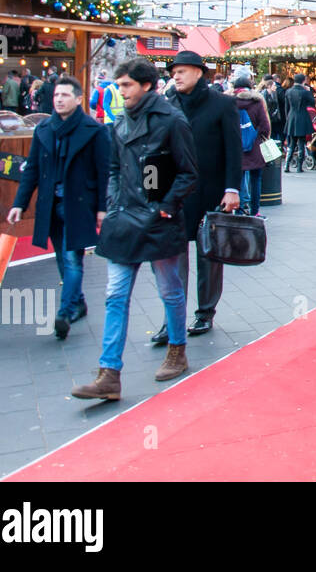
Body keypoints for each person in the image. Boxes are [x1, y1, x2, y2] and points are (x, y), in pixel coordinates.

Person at [72, 58, 198, 400]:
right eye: (119, 84)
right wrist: (113, 203)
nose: (119, 90)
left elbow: (189, 172)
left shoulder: (172, 120)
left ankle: (177, 350)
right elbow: (113, 167)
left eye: (126, 85)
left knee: (170, 290)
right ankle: (109, 373)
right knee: (115, 296)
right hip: (125, 219)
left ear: (145, 85)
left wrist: (165, 207)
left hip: (159, 221)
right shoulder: (119, 123)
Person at [7, 74, 110, 339]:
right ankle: (78, 302)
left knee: (72, 258)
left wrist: (102, 208)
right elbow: (31, 170)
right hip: (51, 204)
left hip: (80, 204)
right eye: (56, 96)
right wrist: (19, 203)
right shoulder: (44, 130)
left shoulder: (94, 130)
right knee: (62, 258)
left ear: (78, 99)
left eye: (65, 95)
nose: (59, 99)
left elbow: (103, 172)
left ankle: (65, 312)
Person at [156, 51, 242, 340]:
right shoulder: (166, 105)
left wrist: (233, 189)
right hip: (175, 194)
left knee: (209, 255)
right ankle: (173, 318)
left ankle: (205, 313)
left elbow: (233, 150)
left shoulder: (222, 104)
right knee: (173, 258)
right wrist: (153, 192)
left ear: (199, 73)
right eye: (173, 72)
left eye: (181, 71)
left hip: (211, 191)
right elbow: (156, 153)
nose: (175, 76)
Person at [231, 71, 271, 215]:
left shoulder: (229, 102)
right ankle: (255, 211)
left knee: (238, 180)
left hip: (235, 147)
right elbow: (265, 126)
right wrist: (260, 137)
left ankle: (239, 211)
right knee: (256, 179)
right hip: (255, 147)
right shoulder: (257, 102)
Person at [284, 73, 316, 172]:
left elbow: (286, 107)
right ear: (303, 81)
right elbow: (312, 102)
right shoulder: (305, 92)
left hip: (292, 117)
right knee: (301, 142)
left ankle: (287, 166)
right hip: (302, 116)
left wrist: (288, 118)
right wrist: (308, 91)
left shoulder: (288, 91)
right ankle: (299, 167)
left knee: (292, 143)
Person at [261, 75, 285, 149]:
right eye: (274, 85)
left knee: (277, 135)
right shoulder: (264, 94)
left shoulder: (274, 93)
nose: (276, 86)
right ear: (269, 86)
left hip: (275, 118)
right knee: (272, 136)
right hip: (269, 118)